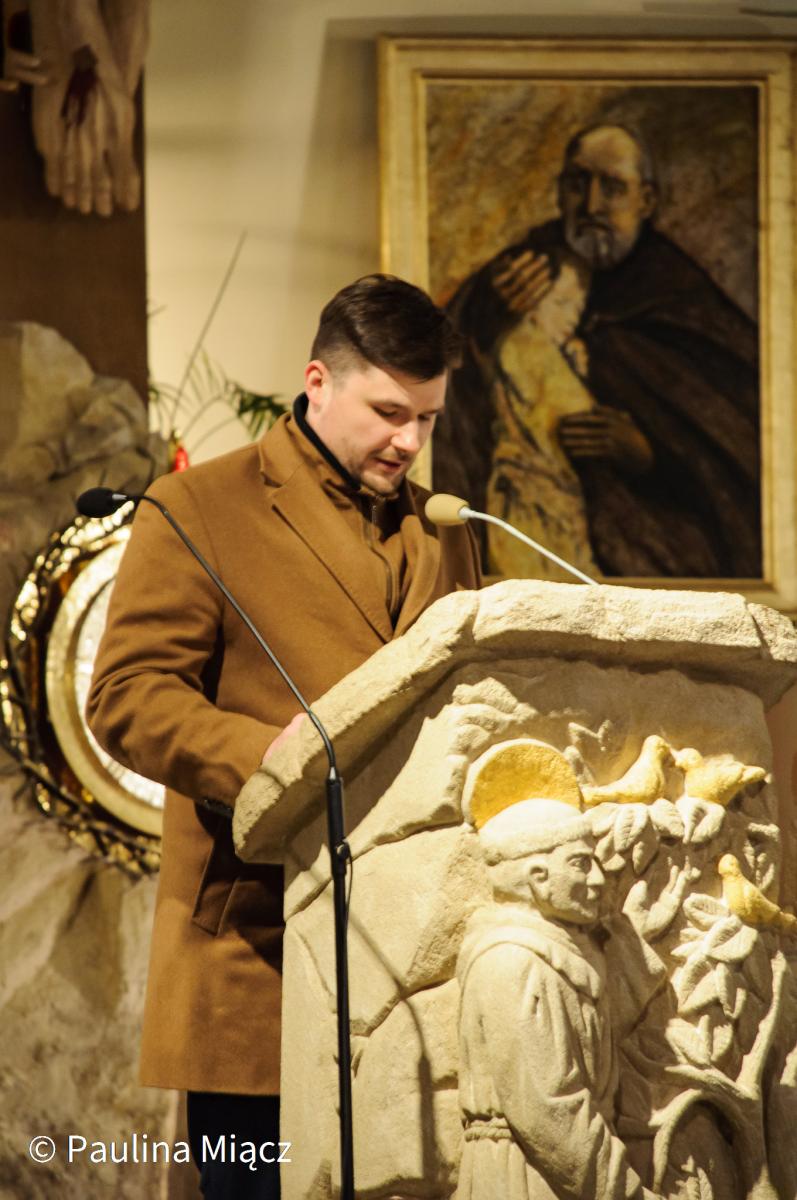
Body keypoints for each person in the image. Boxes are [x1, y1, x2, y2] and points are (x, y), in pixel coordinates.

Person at [86, 273, 481, 1199]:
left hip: (416, 963)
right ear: (317, 382)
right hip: (254, 953)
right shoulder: (196, 507)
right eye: (389, 413)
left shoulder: (446, 532)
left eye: (426, 419)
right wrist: (270, 757)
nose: (408, 442)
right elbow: (126, 696)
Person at [437, 123, 761, 578]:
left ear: (646, 200)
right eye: (577, 183)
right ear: (559, 192)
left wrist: (650, 453)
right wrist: (488, 319)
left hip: (652, 548)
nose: (591, 205)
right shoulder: (519, 271)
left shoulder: (678, 293)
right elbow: (448, 389)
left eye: (612, 188)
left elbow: (739, 444)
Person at [457, 754, 666, 1200]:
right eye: (581, 864)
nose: (599, 879)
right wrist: (627, 1194)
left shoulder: (562, 955)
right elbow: (549, 1113)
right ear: (537, 877)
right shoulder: (512, 962)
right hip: (528, 1177)